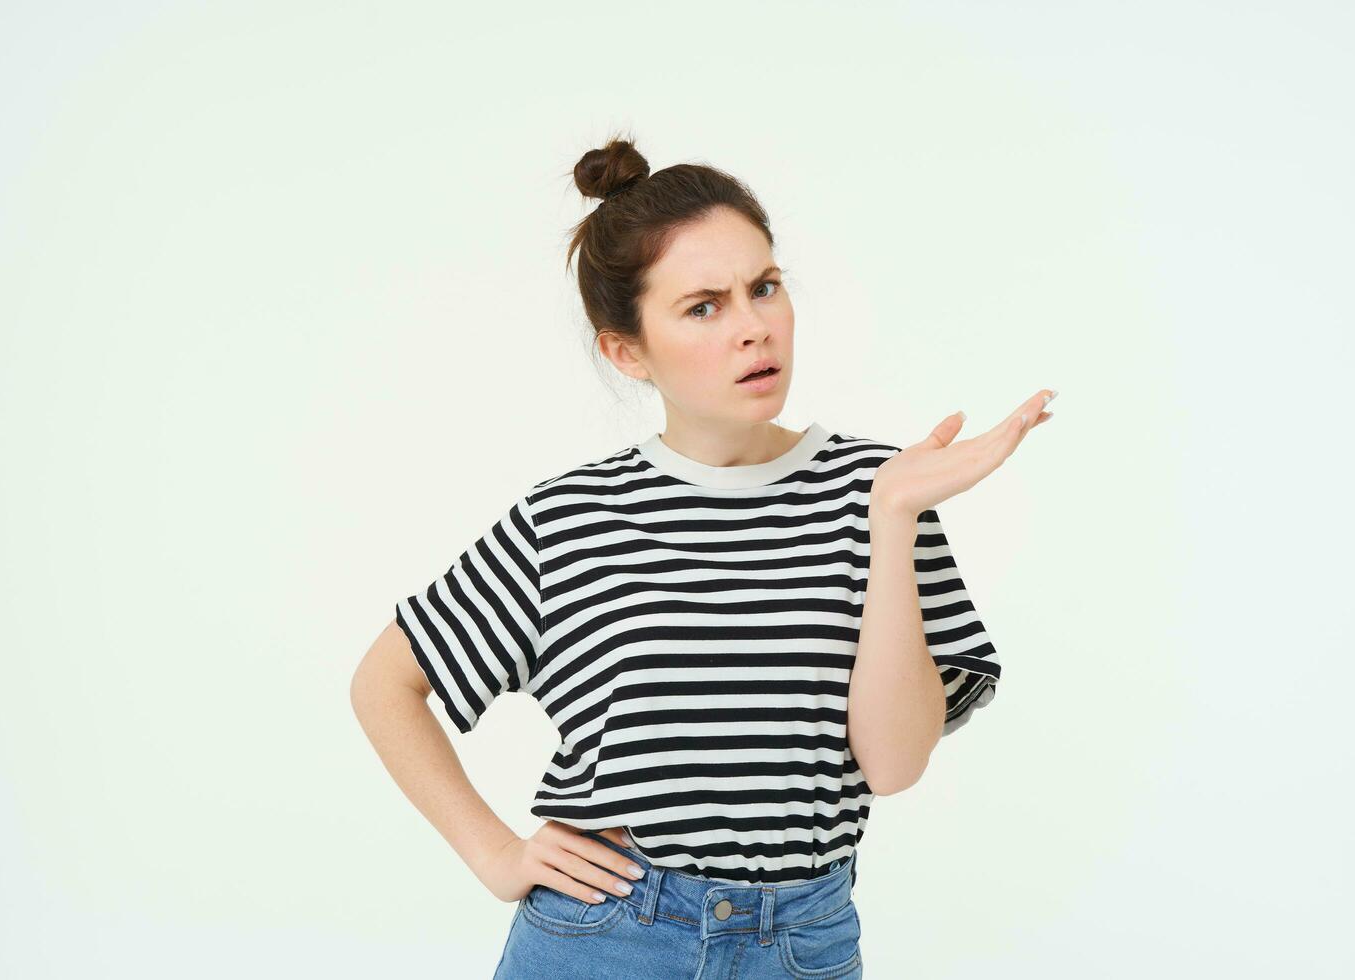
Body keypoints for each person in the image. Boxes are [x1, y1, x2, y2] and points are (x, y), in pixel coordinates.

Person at [350, 132, 1055, 979]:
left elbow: (894, 765)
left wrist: (895, 516)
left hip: (804, 943)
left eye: (764, 288)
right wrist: (495, 852)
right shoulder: (571, 519)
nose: (754, 328)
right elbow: (386, 681)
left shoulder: (883, 489)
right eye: (704, 307)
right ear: (627, 350)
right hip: (608, 938)